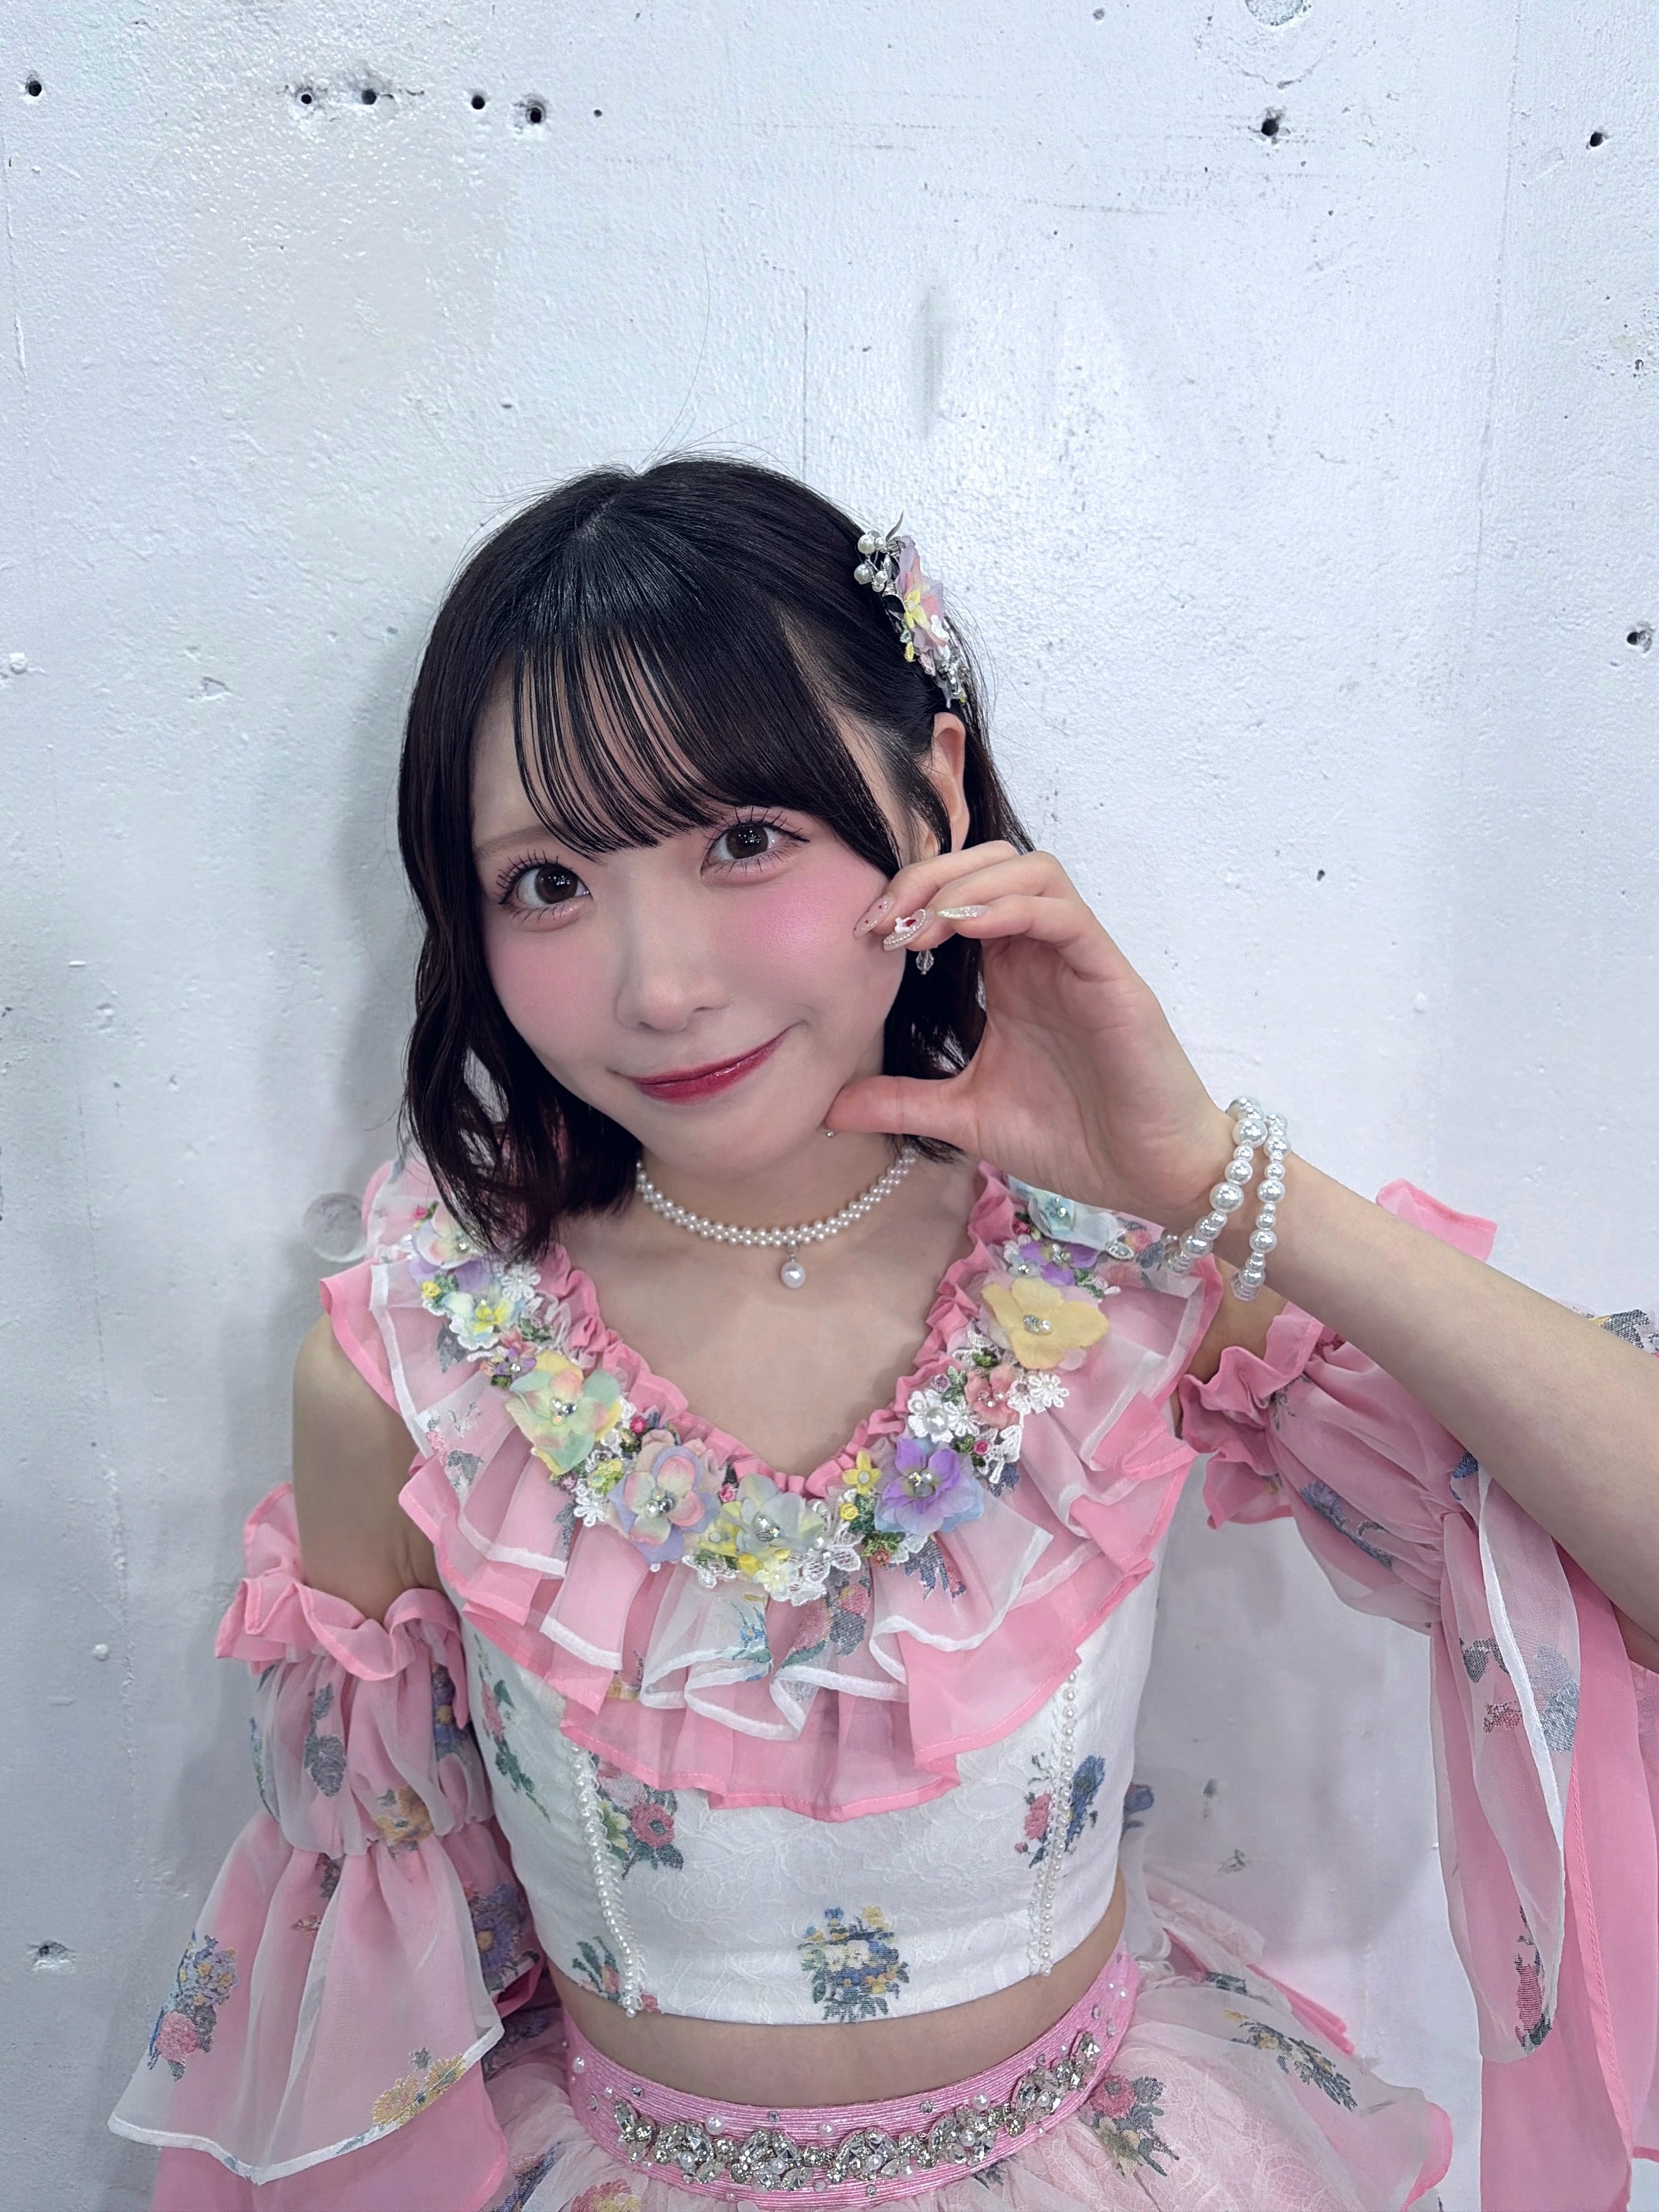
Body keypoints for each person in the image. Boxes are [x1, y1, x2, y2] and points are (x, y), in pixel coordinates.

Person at [110, 459, 1659, 2212]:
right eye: (547, 881)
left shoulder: (1122, 1273)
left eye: (742, 841)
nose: (660, 984)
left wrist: (1213, 1178)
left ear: (932, 795)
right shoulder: (416, 1373)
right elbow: (384, 1986)